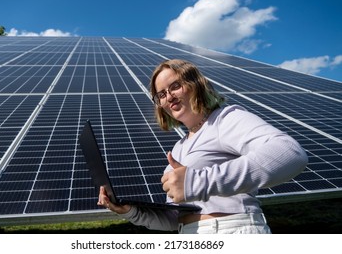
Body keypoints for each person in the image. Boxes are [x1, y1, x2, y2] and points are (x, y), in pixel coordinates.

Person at [98, 59, 308, 234]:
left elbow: (289, 153)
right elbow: (175, 219)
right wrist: (128, 211)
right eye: (161, 95)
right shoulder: (180, 147)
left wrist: (199, 181)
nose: (168, 97)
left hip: (231, 230)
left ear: (196, 84)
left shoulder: (224, 119)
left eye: (175, 86)